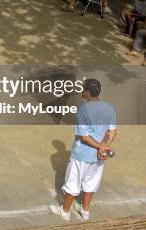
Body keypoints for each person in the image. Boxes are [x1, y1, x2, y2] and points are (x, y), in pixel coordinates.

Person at [51, 79, 117, 221]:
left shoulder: (83, 110)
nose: (82, 91)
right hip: (99, 157)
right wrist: (104, 146)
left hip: (81, 154)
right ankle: (85, 210)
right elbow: (112, 132)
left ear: (87, 92)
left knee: (72, 183)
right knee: (91, 182)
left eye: (83, 89)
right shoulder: (109, 108)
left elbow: (84, 137)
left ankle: (65, 211)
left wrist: (100, 146)